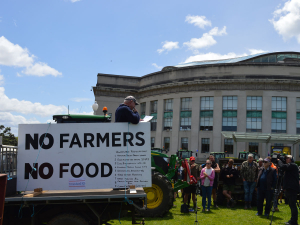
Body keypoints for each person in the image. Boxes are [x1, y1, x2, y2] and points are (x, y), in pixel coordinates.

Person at [278, 155, 300, 225]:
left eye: (287, 158)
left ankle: (294, 221)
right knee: (291, 204)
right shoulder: (290, 166)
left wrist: (279, 161)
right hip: (289, 188)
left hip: (292, 188)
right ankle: (292, 220)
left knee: (293, 204)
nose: (286, 159)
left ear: (291, 159)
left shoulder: (293, 165)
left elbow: (282, 166)